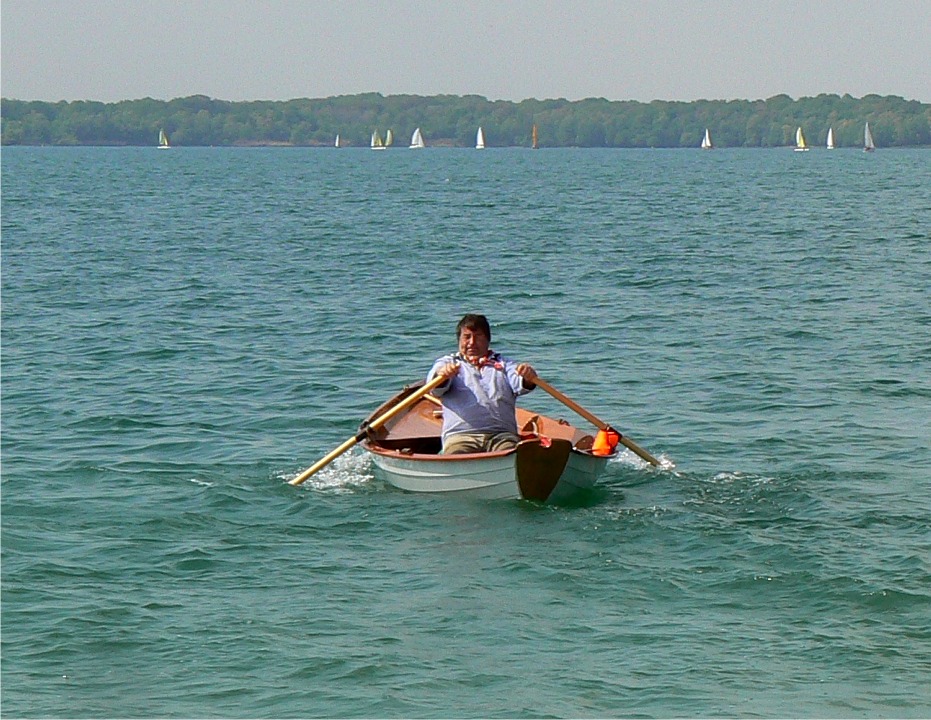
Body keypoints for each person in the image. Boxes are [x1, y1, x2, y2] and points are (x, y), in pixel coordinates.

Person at [427, 313, 538, 454]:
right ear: (459, 340)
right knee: (457, 454)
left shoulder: (504, 364)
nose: (472, 343)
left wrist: (527, 376)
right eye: (467, 337)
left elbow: (520, 382)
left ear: (487, 340)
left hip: (501, 435)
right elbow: (434, 386)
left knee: (510, 452)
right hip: (461, 437)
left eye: (478, 336)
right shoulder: (448, 363)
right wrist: (442, 375)